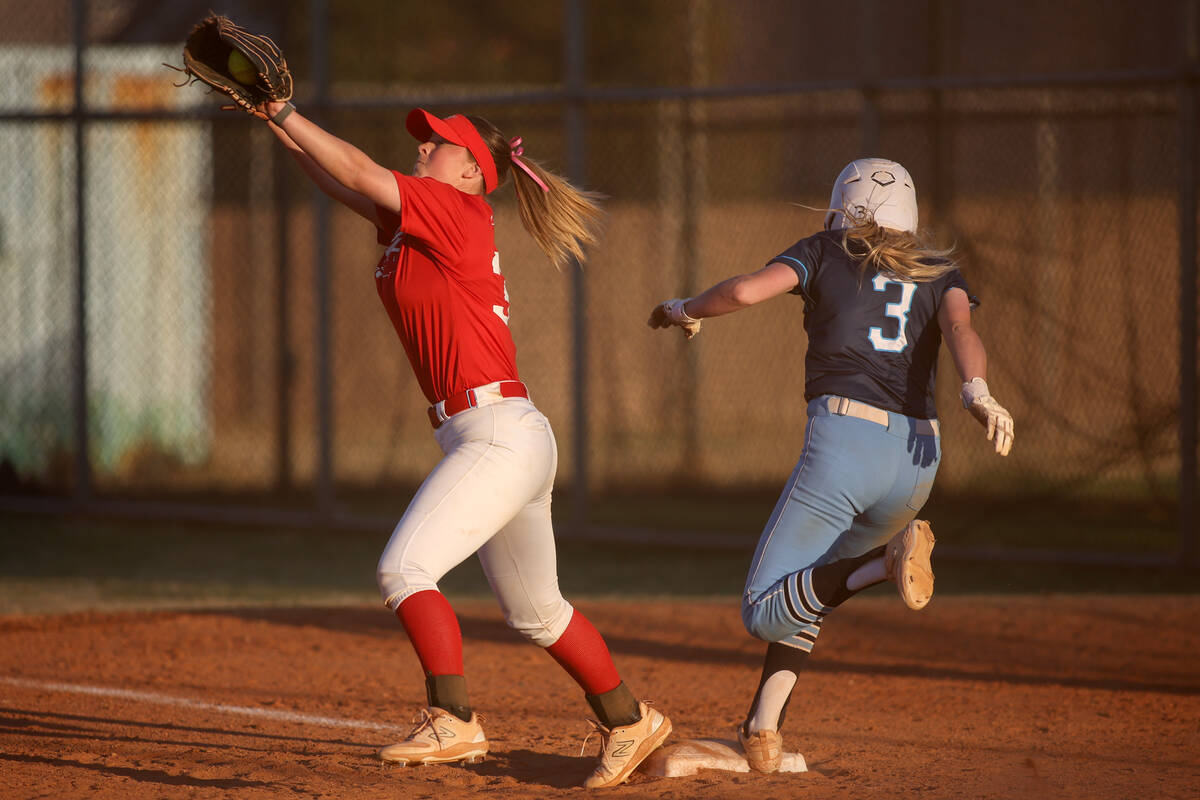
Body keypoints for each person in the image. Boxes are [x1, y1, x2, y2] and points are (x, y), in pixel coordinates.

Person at [254, 98, 671, 788]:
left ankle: (453, 719)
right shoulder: (424, 220)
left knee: (403, 572)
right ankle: (631, 721)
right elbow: (338, 178)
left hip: (497, 433)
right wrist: (265, 116)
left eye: (439, 144)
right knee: (539, 612)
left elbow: (356, 166)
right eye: (425, 142)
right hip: (503, 432)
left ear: (474, 173)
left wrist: (286, 107)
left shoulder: (452, 211)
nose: (422, 149)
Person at [648, 157, 1013, 772]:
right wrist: (977, 391)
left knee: (763, 609)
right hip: (919, 462)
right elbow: (960, 329)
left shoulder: (825, 249)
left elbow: (742, 291)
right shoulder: (938, 268)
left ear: (846, 205)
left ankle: (882, 562)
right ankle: (763, 734)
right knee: (807, 587)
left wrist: (685, 308)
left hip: (847, 443)